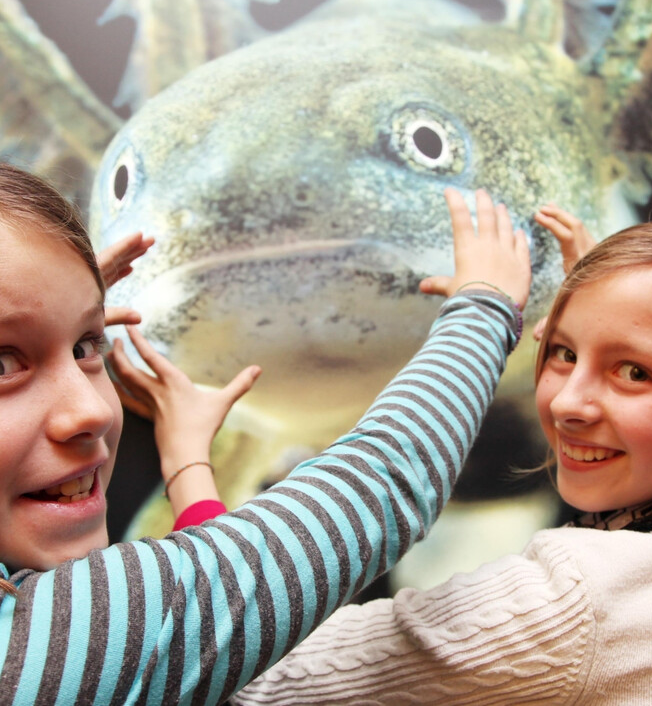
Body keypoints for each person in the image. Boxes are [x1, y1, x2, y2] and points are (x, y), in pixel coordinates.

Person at [0, 161, 530, 704]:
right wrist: (484, 307)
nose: (91, 411)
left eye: (88, 346)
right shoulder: (59, 639)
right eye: (2, 363)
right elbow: (379, 487)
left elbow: (205, 637)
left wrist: (187, 463)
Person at [235, 210, 652, 704]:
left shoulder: (571, 606)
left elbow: (249, 675)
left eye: (635, 372)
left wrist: (192, 473)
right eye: (563, 353)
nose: (567, 403)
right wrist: (619, 311)